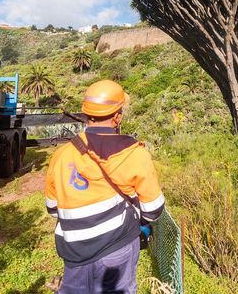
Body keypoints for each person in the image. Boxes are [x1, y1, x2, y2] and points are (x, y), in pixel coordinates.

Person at [45, 80, 165, 294]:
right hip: (117, 252)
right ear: (117, 116)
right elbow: (153, 211)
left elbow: (53, 209)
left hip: (74, 254)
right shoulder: (134, 153)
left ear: (86, 114)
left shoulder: (61, 155)